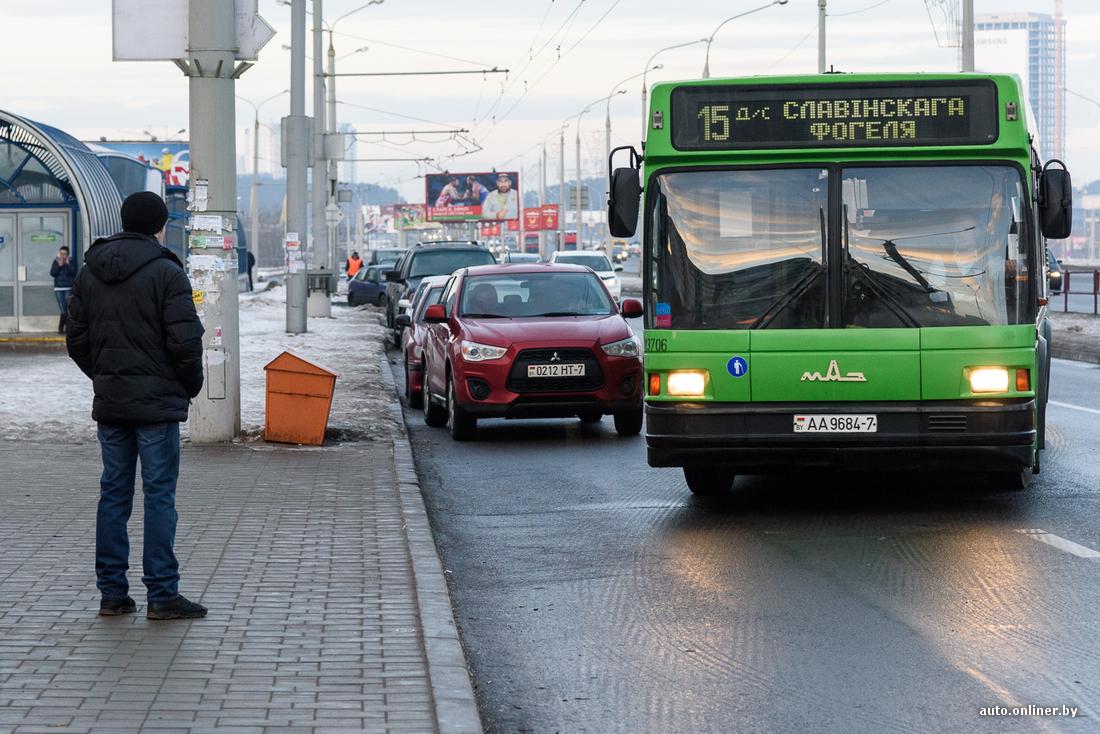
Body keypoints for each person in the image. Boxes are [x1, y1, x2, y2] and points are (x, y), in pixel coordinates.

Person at [66, 191, 207, 621]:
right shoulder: (166, 272)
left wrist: (107, 376)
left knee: (113, 495)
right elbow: (185, 342)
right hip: (156, 408)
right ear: (160, 226)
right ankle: (162, 595)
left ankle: (112, 594)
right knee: (159, 496)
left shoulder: (91, 271)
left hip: (113, 404)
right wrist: (187, 386)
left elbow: (77, 340)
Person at [50, 245, 78, 333]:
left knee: (68, 308)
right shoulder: (56, 261)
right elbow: (52, 273)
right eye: (61, 253)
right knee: (63, 309)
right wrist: (59, 265)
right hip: (58, 288)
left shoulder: (71, 261)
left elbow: (74, 272)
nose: (62, 255)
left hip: (68, 287)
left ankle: (63, 329)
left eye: (64, 254)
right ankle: (62, 328)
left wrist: (67, 264)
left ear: (68, 254)